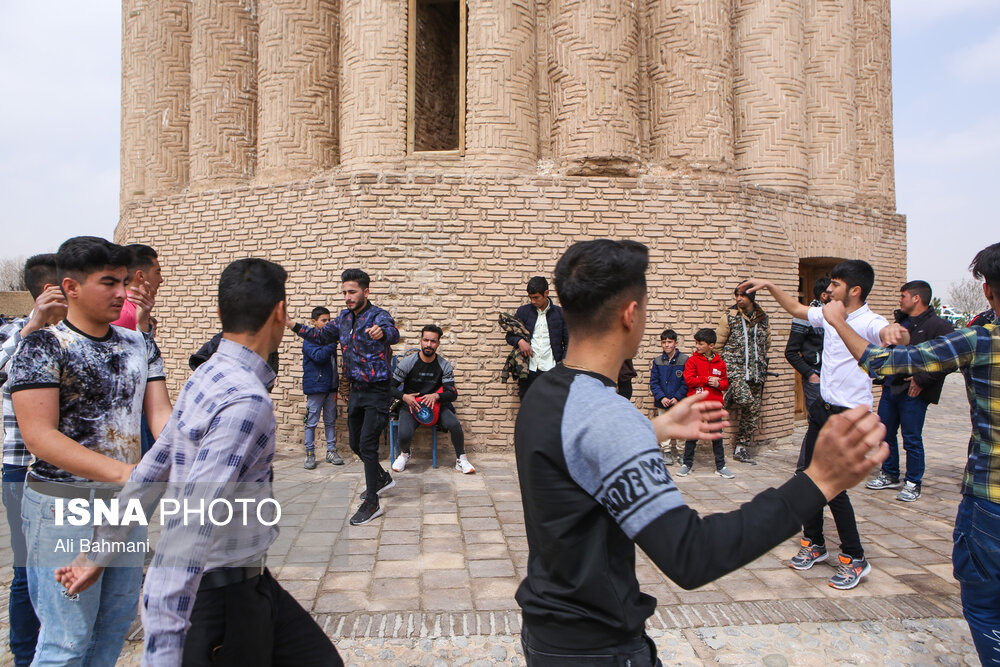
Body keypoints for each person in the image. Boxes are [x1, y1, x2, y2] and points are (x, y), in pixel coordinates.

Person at [514, 239, 888, 666]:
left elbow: (572, 454)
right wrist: (818, 480)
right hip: (597, 649)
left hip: (545, 634)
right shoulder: (606, 414)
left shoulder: (545, 392)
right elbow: (691, 555)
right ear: (630, 315)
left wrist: (651, 428)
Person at [55, 258, 343, 667]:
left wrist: (99, 550)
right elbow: (191, 524)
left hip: (251, 583)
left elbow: (152, 469)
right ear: (280, 312)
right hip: (218, 602)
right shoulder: (246, 401)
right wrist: (164, 650)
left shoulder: (206, 375)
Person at [820, 241, 1000, 665]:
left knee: (985, 604)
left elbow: (883, 363)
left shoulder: (981, 340)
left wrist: (837, 321)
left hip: (991, 500)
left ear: (988, 290)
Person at [8, 236, 173, 664]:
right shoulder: (44, 346)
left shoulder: (140, 344)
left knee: (113, 626)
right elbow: (40, 437)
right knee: (66, 639)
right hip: (64, 504)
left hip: (126, 505)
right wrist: (124, 473)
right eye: (108, 282)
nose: (122, 292)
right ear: (72, 287)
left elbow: (160, 416)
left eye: (123, 281)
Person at [741, 260, 898, 590]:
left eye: (836, 284)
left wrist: (892, 333)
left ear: (854, 290)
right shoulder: (829, 314)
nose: (829, 289)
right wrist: (769, 285)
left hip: (849, 417)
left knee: (832, 488)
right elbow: (797, 309)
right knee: (806, 478)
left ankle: (855, 557)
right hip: (821, 412)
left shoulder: (870, 321)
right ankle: (814, 543)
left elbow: (885, 334)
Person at [288, 269, 400, 526]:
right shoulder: (343, 319)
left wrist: (382, 334)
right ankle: (382, 479)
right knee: (355, 445)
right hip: (356, 390)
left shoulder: (378, 316)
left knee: (369, 446)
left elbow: (393, 333)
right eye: (345, 293)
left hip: (378, 389)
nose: (348, 297)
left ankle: (372, 502)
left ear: (366, 292)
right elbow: (319, 335)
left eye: (353, 292)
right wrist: (292, 325)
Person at [0, 254, 63, 666]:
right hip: (21, 470)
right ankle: (25, 654)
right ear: (48, 291)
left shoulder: (72, 339)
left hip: (63, 473)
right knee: (27, 570)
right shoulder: (14, 334)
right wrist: (31, 325)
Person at [865, 280, 954, 502]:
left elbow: (950, 361)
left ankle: (913, 482)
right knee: (885, 433)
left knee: (911, 437)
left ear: (916, 298)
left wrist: (923, 379)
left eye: (903, 295)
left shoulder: (939, 326)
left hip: (914, 392)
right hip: (891, 388)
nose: (899, 299)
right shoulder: (900, 323)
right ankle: (890, 474)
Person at [390, 324, 475, 474]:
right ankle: (405, 454)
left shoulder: (444, 365)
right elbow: (389, 387)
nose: (429, 344)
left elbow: (452, 393)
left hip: (435, 406)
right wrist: (405, 397)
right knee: (404, 434)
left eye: (433, 341)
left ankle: (461, 459)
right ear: (421, 341)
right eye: (426, 340)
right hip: (412, 405)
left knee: (454, 425)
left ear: (438, 343)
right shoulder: (408, 362)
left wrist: (436, 396)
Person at [716, 282, 771, 465]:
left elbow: (766, 344)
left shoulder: (763, 318)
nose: (739, 299)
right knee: (745, 398)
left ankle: (741, 448)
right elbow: (718, 344)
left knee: (752, 412)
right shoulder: (729, 316)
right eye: (736, 295)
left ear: (751, 297)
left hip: (756, 370)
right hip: (735, 368)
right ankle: (729, 394)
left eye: (742, 295)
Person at [677, 329, 733, 479]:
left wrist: (718, 383)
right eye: (696, 343)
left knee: (717, 436)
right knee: (692, 435)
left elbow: (726, 383)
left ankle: (721, 466)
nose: (697, 346)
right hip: (697, 404)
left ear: (711, 346)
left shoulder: (720, 363)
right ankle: (686, 465)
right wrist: (706, 379)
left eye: (700, 344)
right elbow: (689, 380)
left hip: (714, 405)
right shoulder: (692, 361)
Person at [506, 276, 569, 399]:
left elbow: (569, 342)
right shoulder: (523, 312)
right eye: (530, 298)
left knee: (550, 410)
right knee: (527, 409)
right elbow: (510, 335)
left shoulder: (560, 314)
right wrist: (520, 341)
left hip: (551, 370)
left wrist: (562, 365)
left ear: (546, 293)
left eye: (536, 297)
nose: (533, 301)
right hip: (528, 370)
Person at [302, 306, 343, 469]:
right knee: (311, 422)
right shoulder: (310, 339)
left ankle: (331, 451)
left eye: (329, 320)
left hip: (331, 388)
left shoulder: (328, 340)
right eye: (323, 320)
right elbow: (319, 357)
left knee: (330, 421)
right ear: (314, 322)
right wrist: (333, 343)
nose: (327, 323)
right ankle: (310, 453)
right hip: (316, 388)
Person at [785, 277, 830, 411]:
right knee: (817, 420)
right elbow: (790, 352)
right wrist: (811, 374)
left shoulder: (839, 316)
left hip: (834, 377)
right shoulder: (806, 316)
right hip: (816, 376)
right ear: (824, 295)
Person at [649, 328, 688, 465]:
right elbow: (654, 382)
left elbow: (686, 382)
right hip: (663, 402)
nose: (667, 345)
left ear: (676, 343)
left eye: (670, 342)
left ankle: (682, 453)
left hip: (679, 401)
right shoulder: (658, 361)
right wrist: (662, 397)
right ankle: (667, 452)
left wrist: (678, 397)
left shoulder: (684, 360)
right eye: (664, 342)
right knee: (664, 426)